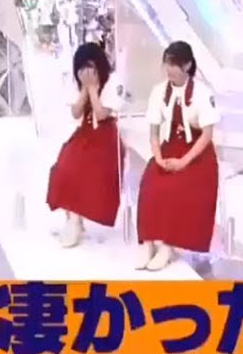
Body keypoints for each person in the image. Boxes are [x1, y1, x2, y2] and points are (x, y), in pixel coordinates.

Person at [136, 41, 221, 271]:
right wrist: (158, 157)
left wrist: (184, 162)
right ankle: (148, 242)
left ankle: (168, 245)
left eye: (174, 64)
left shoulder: (202, 93)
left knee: (177, 189)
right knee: (150, 183)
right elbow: (154, 132)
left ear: (187, 65)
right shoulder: (159, 91)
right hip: (169, 147)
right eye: (167, 63)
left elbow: (207, 135)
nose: (169, 69)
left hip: (197, 153)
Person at [46, 42, 124, 247]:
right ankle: (73, 219)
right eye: (82, 68)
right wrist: (84, 89)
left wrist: (93, 89)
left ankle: (74, 221)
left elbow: (101, 113)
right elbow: (76, 113)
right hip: (85, 134)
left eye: (91, 67)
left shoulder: (113, 82)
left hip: (106, 138)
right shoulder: (77, 83)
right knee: (63, 167)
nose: (87, 72)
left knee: (82, 170)